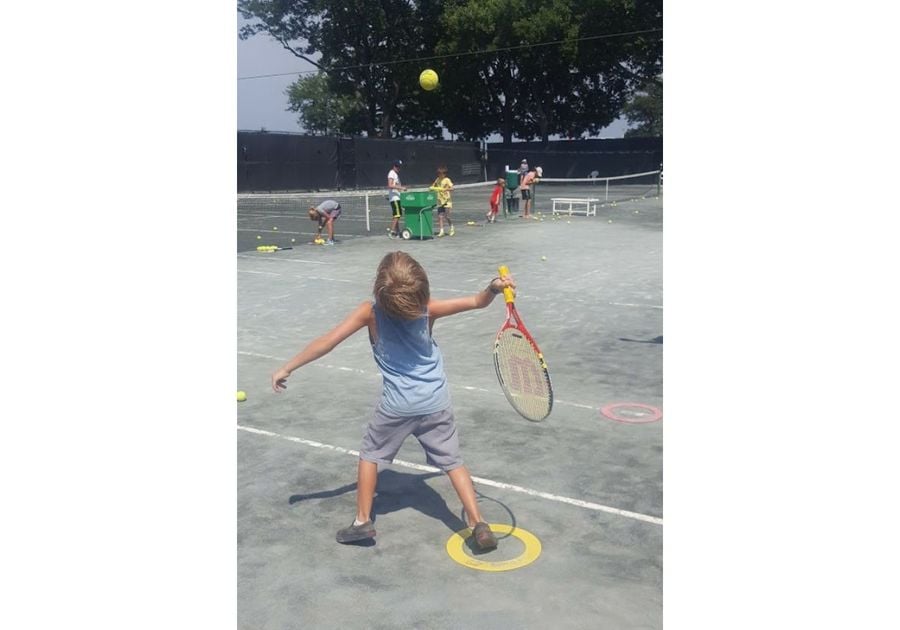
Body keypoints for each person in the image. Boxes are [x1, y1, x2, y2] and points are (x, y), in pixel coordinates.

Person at [271, 251, 515, 550]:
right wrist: (493, 287)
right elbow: (478, 302)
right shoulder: (428, 309)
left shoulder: (369, 313)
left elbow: (327, 342)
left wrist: (288, 367)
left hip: (397, 406)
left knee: (370, 455)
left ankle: (362, 522)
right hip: (436, 400)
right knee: (453, 462)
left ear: (380, 290)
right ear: (421, 288)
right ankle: (478, 522)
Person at [431, 166, 455, 237]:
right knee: (440, 216)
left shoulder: (447, 180)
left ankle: (452, 227)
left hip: (447, 201)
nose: (439, 175)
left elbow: (452, 188)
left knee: (447, 216)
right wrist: (432, 188)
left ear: (444, 174)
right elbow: (433, 186)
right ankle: (441, 231)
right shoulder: (437, 179)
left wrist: (446, 189)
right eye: (438, 173)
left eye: (441, 174)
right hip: (440, 201)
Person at [387, 159, 407, 239]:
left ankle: (397, 231)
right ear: (394, 166)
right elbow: (390, 185)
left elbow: (396, 186)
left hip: (397, 197)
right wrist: (401, 187)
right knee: (397, 214)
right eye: (397, 167)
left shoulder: (396, 174)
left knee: (397, 214)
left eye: (400, 167)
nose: (399, 168)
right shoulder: (391, 173)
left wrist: (401, 190)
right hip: (394, 198)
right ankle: (392, 232)